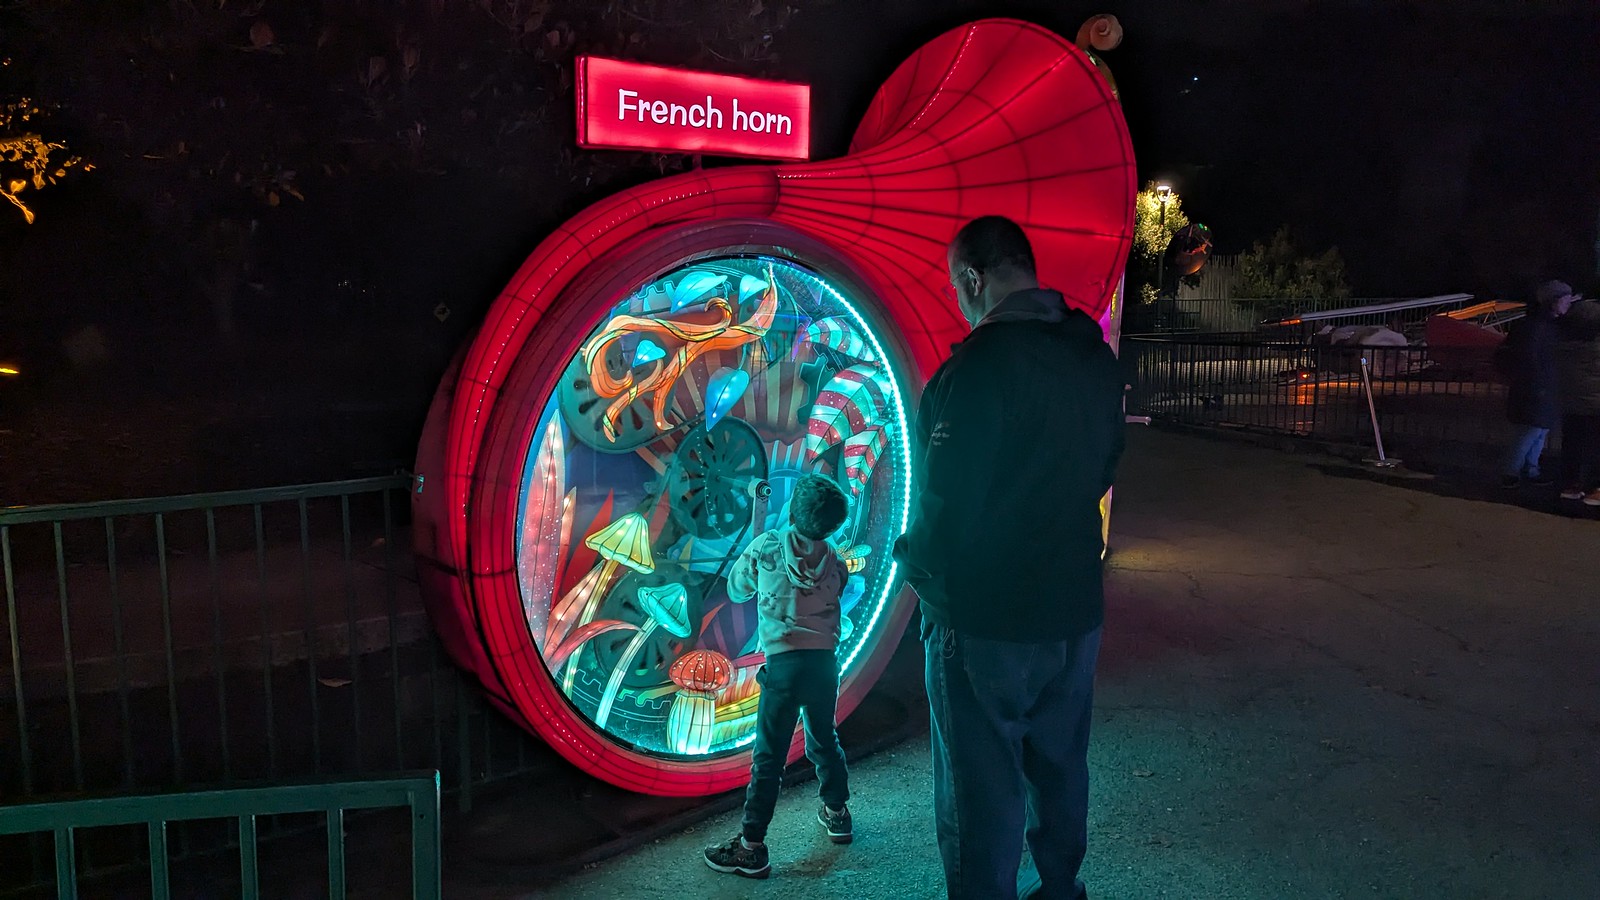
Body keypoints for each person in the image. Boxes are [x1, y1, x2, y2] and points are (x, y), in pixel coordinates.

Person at [894, 215, 1126, 899]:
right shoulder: (1092, 357)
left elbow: (944, 502)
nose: (958, 303)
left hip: (985, 617)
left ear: (973, 279)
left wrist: (917, 567)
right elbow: (1106, 463)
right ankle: (1060, 888)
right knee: (1060, 765)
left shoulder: (975, 370)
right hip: (1074, 603)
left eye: (955, 288)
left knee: (980, 793)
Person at [703, 473, 853, 880]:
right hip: (823, 664)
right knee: (824, 739)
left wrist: (754, 554)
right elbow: (834, 590)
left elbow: (737, 590)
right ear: (832, 525)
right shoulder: (835, 561)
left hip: (783, 666)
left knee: (769, 758)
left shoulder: (766, 548)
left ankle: (751, 847)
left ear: (792, 512)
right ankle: (837, 812)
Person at [1496, 280, 1574, 488]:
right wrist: (1538, 384)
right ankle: (1511, 471)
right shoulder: (1539, 327)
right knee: (1530, 431)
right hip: (1536, 387)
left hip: (1541, 386)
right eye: (1565, 300)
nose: (1568, 304)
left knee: (1538, 431)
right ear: (1553, 301)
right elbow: (1530, 358)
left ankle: (1528, 469)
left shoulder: (1539, 324)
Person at [1553, 284, 1600, 505]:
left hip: (1572, 403)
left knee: (1572, 446)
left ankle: (1570, 486)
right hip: (1596, 405)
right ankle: (1595, 489)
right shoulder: (1595, 348)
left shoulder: (1564, 346)